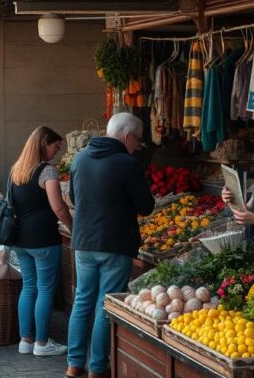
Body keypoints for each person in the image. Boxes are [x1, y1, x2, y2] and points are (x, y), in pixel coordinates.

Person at [66, 113, 155, 378]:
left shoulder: (80, 159)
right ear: (127, 137)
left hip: (83, 241)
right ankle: (97, 367)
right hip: (115, 242)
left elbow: (73, 197)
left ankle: (74, 364)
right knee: (105, 304)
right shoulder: (127, 164)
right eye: (137, 140)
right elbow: (146, 206)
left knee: (82, 301)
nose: (138, 146)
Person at [10, 126, 71, 357]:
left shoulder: (17, 170)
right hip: (44, 240)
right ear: (44, 143)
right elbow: (58, 206)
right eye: (55, 146)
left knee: (28, 287)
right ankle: (42, 343)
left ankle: (26, 341)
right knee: (45, 290)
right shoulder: (47, 172)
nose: (56, 151)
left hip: (20, 239)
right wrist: (72, 227)